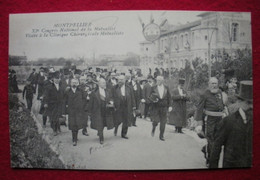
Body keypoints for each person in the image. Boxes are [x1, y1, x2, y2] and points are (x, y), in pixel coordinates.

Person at [209, 80, 253, 168]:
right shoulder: (229, 121)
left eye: (253, 103)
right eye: (248, 103)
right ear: (239, 102)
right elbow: (216, 148)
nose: (251, 106)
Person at [195, 77, 228, 166]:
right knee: (211, 140)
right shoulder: (204, 94)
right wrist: (199, 123)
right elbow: (199, 109)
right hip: (209, 120)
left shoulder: (220, 92)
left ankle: (205, 149)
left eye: (215, 83)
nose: (214, 85)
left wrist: (224, 114)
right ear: (209, 84)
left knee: (218, 140)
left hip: (219, 120)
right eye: (212, 83)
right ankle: (209, 159)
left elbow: (222, 105)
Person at [89, 77, 115, 144]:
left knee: (103, 123)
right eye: (103, 83)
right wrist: (90, 113)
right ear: (99, 84)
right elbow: (90, 103)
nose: (105, 84)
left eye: (105, 82)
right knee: (100, 123)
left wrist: (111, 102)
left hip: (106, 110)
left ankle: (99, 132)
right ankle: (101, 138)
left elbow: (111, 98)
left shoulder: (108, 91)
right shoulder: (94, 92)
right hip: (97, 111)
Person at [64, 79, 88, 146]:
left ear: (77, 83)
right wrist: (64, 112)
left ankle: (75, 137)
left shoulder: (80, 91)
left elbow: (84, 99)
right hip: (71, 111)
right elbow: (64, 101)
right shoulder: (67, 91)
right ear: (70, 83)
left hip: (79, 111)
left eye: (75, 83)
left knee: (77, 125)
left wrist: (82, 107)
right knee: (72, 125)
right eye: (73, 82)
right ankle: (74, 139)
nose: (74, 84)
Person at [149, 76, 172, 141]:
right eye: (157, 80)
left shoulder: (166, 88)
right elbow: (149, 96)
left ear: (162, 81)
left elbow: (169, 97)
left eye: (159, 80)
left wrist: (170, 106)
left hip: (164, 107)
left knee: (163, 122)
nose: (157, 82)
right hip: (156, 107)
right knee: (156, 120)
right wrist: (153, 100)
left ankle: (161, 135)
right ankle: (154, 127)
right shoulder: (153, 87)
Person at [114, 75, 136, 139]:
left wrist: (134, 106)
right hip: (118, 106)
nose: (120, 81)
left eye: (121, 79)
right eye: (119, 79)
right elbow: (112, 96)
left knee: (126, 120)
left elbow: (132, 97)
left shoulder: (129, 87)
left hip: (127, 106)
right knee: (118, 120)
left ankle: (124, 134)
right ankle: (116, 128)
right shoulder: (115, 88)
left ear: (124, 80)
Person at [43, 71, 65, 136]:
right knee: (53, 117)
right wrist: (45, 103)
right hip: (52, 104)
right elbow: (46, 96)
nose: (57, 80)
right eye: (56, 78)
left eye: (58, 78)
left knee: (57, 117)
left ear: (59, 79)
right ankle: (54, 130)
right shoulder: (49, 87)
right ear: (53, 79)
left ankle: (58, 128)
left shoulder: (61, 87)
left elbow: (63, 96)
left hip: (59, 104)